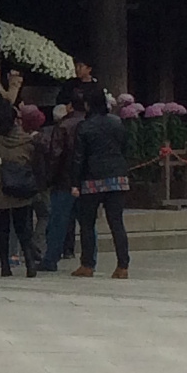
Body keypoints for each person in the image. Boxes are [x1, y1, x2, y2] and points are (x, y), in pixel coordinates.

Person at [68, 94, 133, 277]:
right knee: (117, 223)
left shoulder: (85, 126)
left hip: (92, 178)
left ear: (88, 105)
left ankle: (87, 264)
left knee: (87, 223)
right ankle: (123, 266)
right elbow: (125, 147)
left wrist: (75, 182)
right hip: (117, 176)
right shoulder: (117, 122)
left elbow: (78, 157)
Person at [0, 101, 42, 278]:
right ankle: (30, 263)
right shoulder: (26, 140)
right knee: (24, 228)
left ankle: (5, 267)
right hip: (21, 188)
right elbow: (33, 161)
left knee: (3, 228)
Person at [33, 99, 82, 273]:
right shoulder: (91, 123)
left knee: (58, 222)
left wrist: (48, 179)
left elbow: (55, 156)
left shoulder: (64, 126)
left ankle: (51, 259)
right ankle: (89, 260)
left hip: (64, 180)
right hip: (87, 180)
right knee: (87, 222)